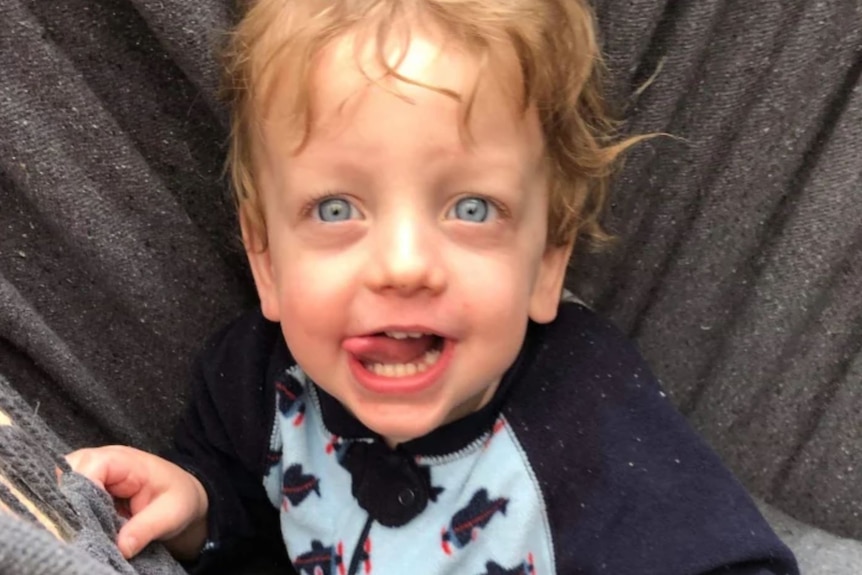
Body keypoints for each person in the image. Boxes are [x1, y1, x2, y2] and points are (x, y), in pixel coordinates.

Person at [67, 0, 800, 573]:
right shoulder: (253, 385)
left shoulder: (590, 414)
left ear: (546, 262)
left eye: (471, 208)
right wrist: (192, 508)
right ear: (265, 259)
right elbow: (247, 515)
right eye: (335, 208)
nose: (404, 264)